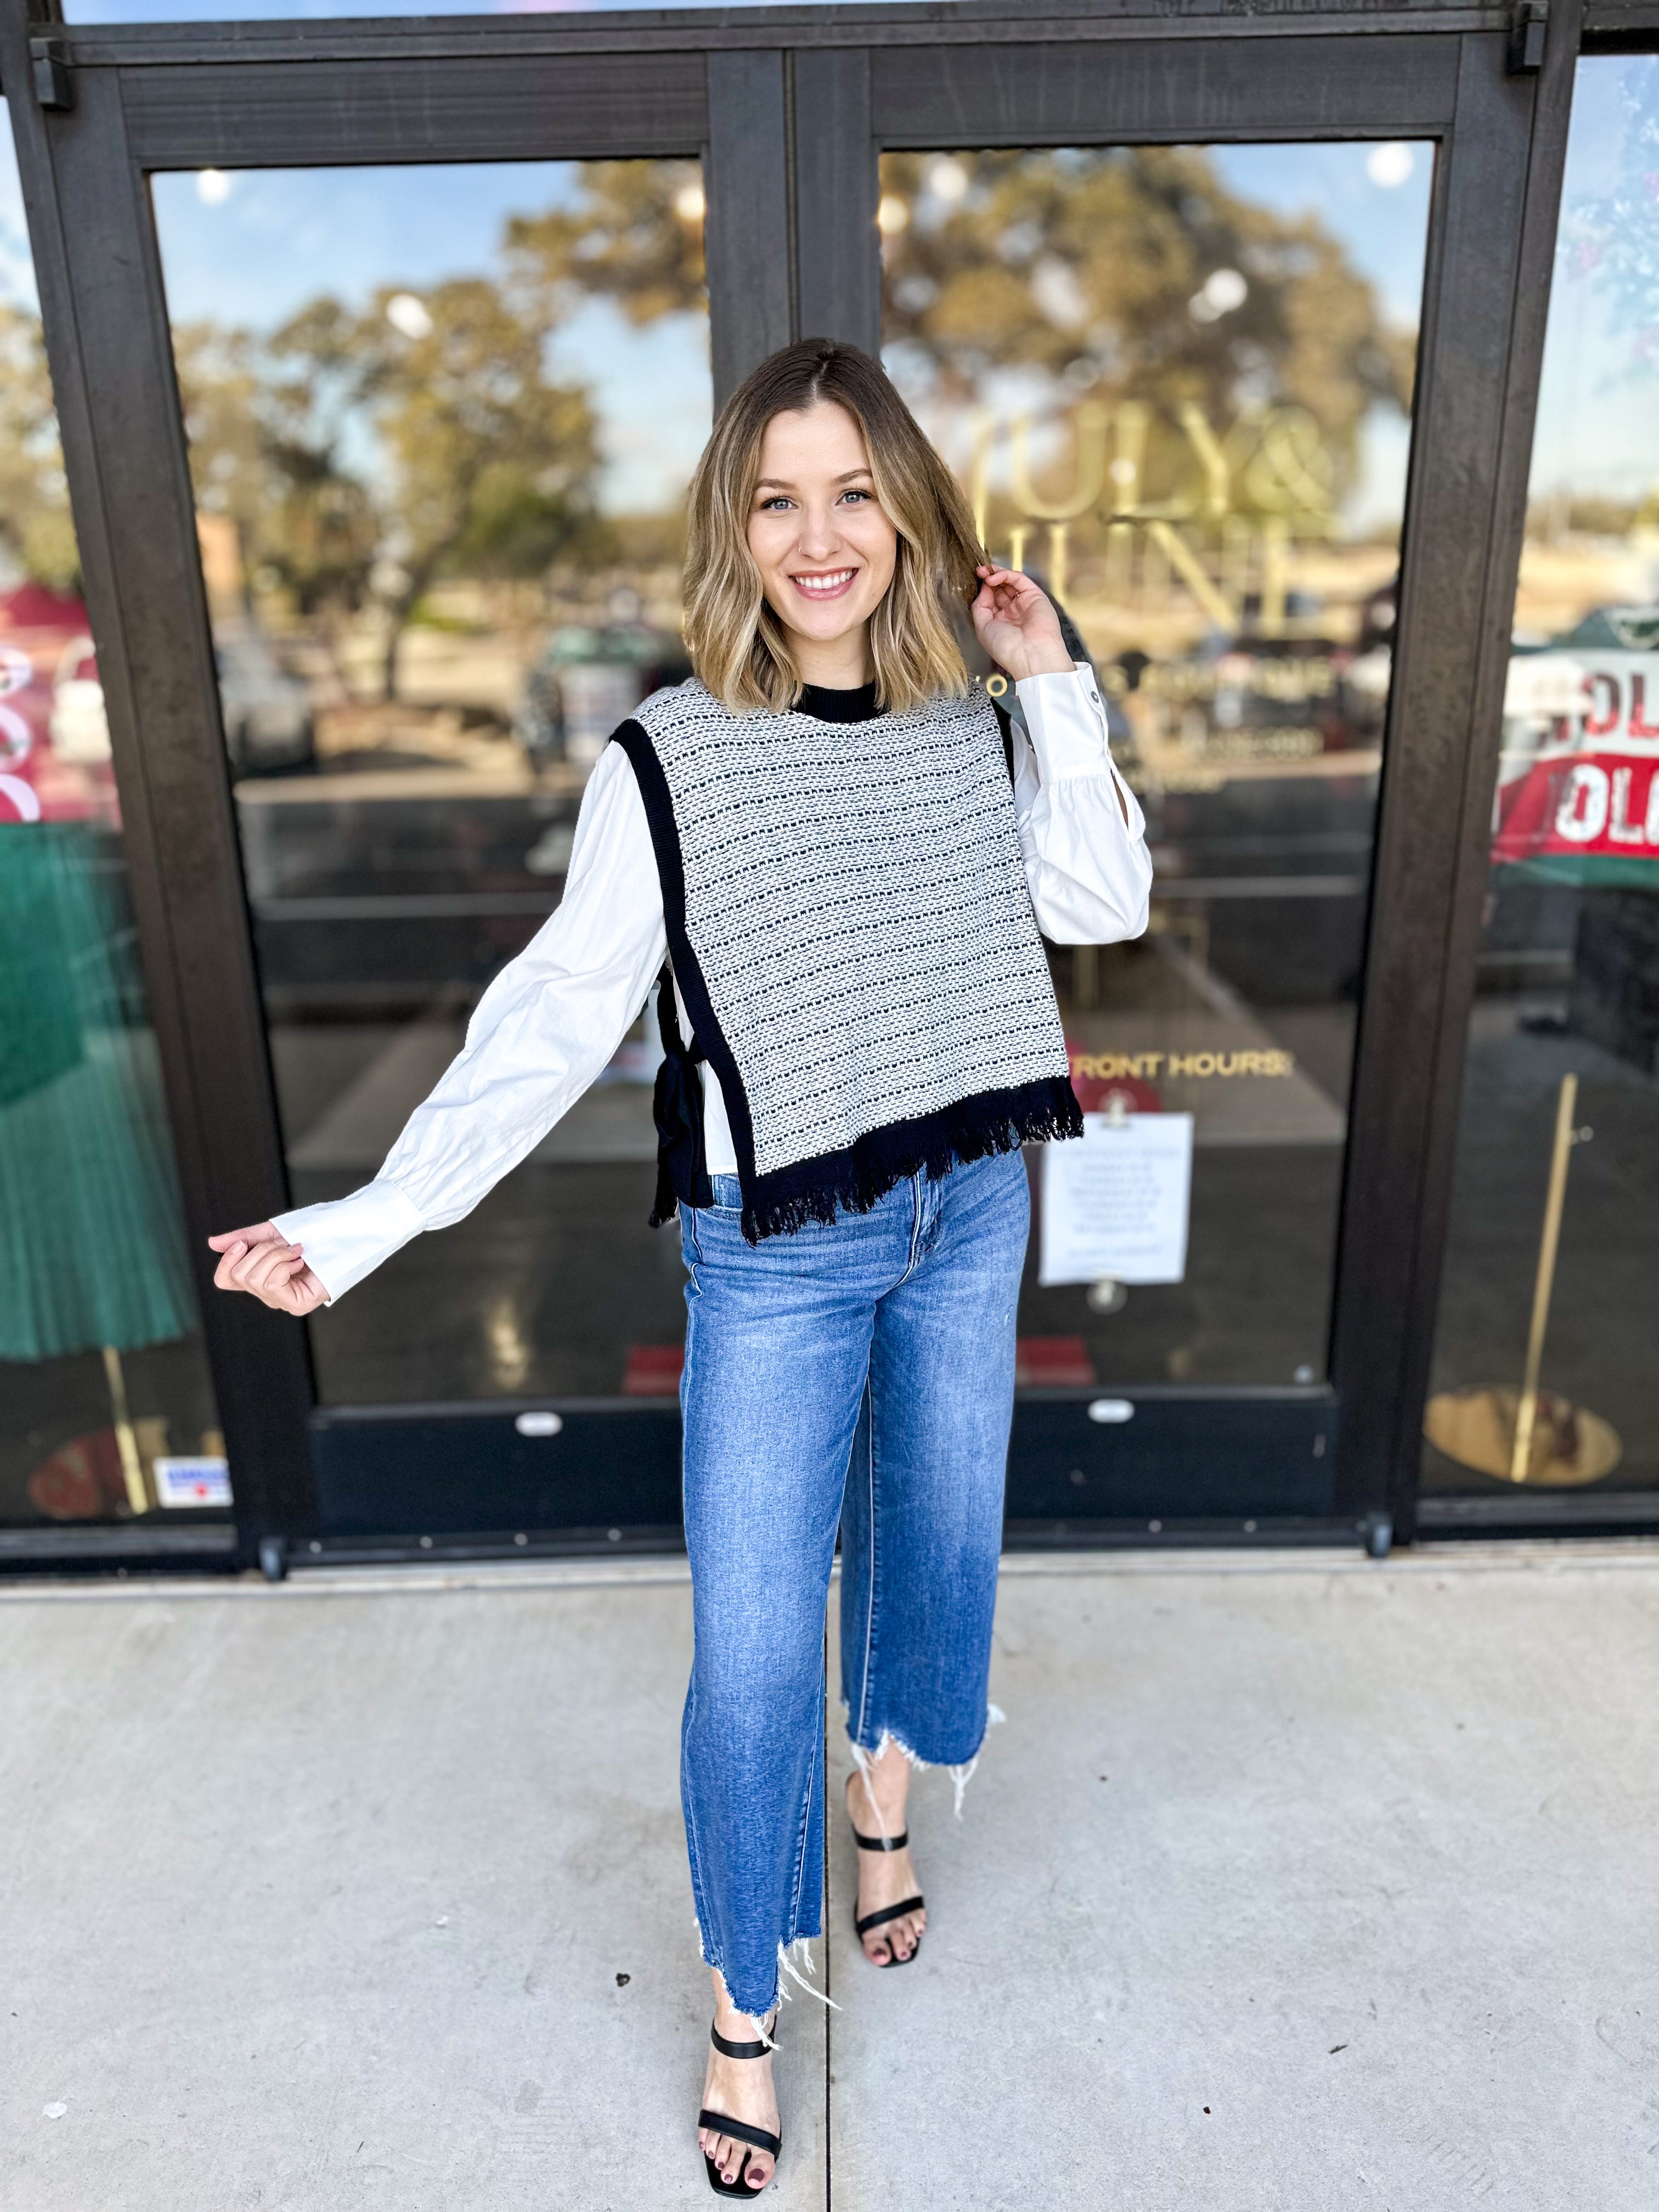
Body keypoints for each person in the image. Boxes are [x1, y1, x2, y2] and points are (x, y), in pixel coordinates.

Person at [210, 338, 1152, 2196]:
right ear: (735, 527)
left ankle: (884, 1814)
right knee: (746, 1651)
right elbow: (552, 1017)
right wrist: (364, 1224)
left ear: (908, 507)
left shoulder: (977, 720)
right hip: (780, 1250)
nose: (821, 537)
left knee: (940, 1538)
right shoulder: (670, 758)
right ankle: (745, 1992)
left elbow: (1100, 905)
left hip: (971, 1205)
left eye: (855, 492)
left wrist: (1057, 688)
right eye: (778, 499)